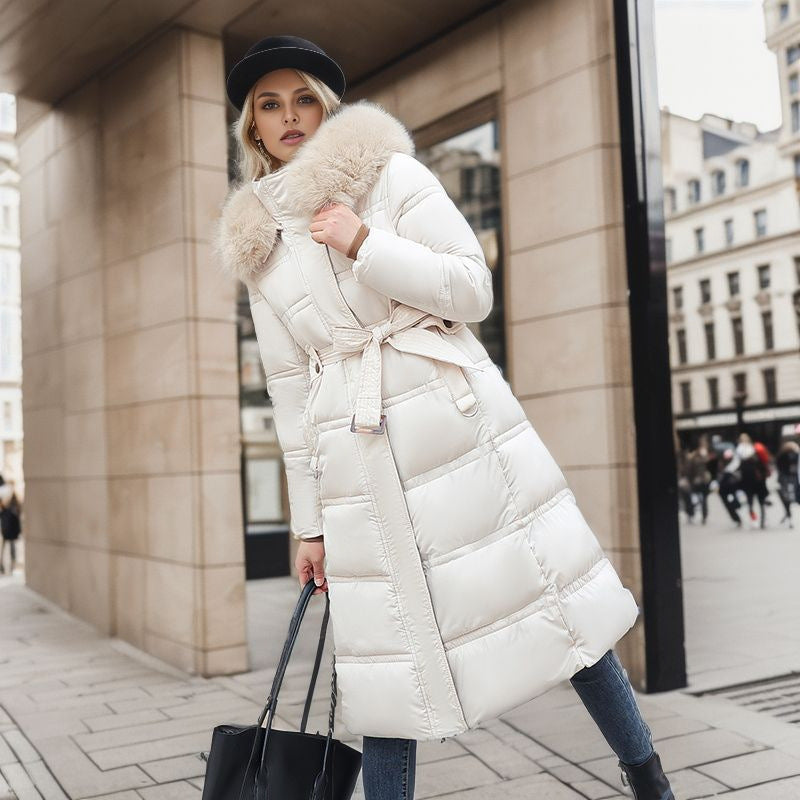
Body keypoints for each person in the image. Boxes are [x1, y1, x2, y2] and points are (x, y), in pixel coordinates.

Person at [214, 35, 674, 800]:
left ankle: (647, 778)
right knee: (389, 674)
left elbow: (470, 290)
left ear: (327, 109)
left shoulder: (389, 176)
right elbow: (290, 392)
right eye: (269, 104)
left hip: (460, 435)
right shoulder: (259, 248)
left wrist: (363, 241)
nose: (288, 115)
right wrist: (310, 525)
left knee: (562, 618)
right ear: (252, 128)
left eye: (302, 99)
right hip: (357, 464)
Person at [0, 476, 21, 575]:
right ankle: (4, 566)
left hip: (9, 527)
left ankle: (10, 566)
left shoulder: (13, 499)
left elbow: (17, 514)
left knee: (9, 547)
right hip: (7, 527)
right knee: (5, 547)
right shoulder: (7, 498)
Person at [775, 439, 799, 527]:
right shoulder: (795, 455)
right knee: (790, 497)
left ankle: (788, 515)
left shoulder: (780, 455)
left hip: (784, 480)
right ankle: (788, 516)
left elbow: (778, 467)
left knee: (786, 499)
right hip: (792, 480)